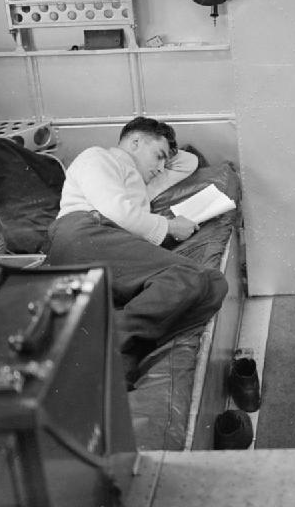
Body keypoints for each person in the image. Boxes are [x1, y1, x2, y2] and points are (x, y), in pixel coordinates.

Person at [44, 117, 228, 387]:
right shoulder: (98, 158)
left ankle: (114, 347)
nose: (162, 167)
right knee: (190, 276)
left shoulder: (141, 182)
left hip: (111, 251)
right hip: (84, 235)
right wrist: (170, 226)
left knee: (213, 286)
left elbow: (188, 162)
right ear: (135, 142)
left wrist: (162, 154)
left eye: (165, 160)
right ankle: (107, 339)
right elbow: (116, 212)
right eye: (159, 156)